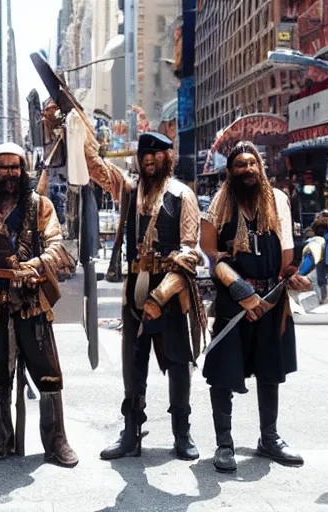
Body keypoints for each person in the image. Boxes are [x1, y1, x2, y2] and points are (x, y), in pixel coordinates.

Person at [84, 131, 204, 461]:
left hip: (172, 291)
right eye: (144, 154)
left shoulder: (182, 195)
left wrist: (161, 295)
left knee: (179, 364)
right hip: (135, 290)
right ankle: (130, 432)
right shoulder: (129, 189)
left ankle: (182, 432)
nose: (149, 158)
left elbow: (190, 252)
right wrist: (71, 124)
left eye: (156, 153)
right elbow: (95, 166)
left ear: (169, 157)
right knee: (132, 366)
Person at [200, 141, 312, 473]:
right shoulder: (218, 206)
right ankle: (224, 444)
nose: (247, 169)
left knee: (269, 370)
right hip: (233, 303)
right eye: (240, 165)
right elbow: (211, 256)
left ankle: (269, 438)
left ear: (260, 167)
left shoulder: (278, 200)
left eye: (252, 163)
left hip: (272, 300)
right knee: (223, 371)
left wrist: (289, 279)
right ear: (230, 171)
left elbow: (287, 251)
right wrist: (243, 294)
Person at [0, 143, 78, 467]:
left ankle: (56, 442)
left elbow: (58, 246)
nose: (10, 173)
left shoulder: (40, 206)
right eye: (4, 167)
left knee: (48, 372)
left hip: (31, 299)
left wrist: (36, 265)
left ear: (23, 170)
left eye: (15, 167)